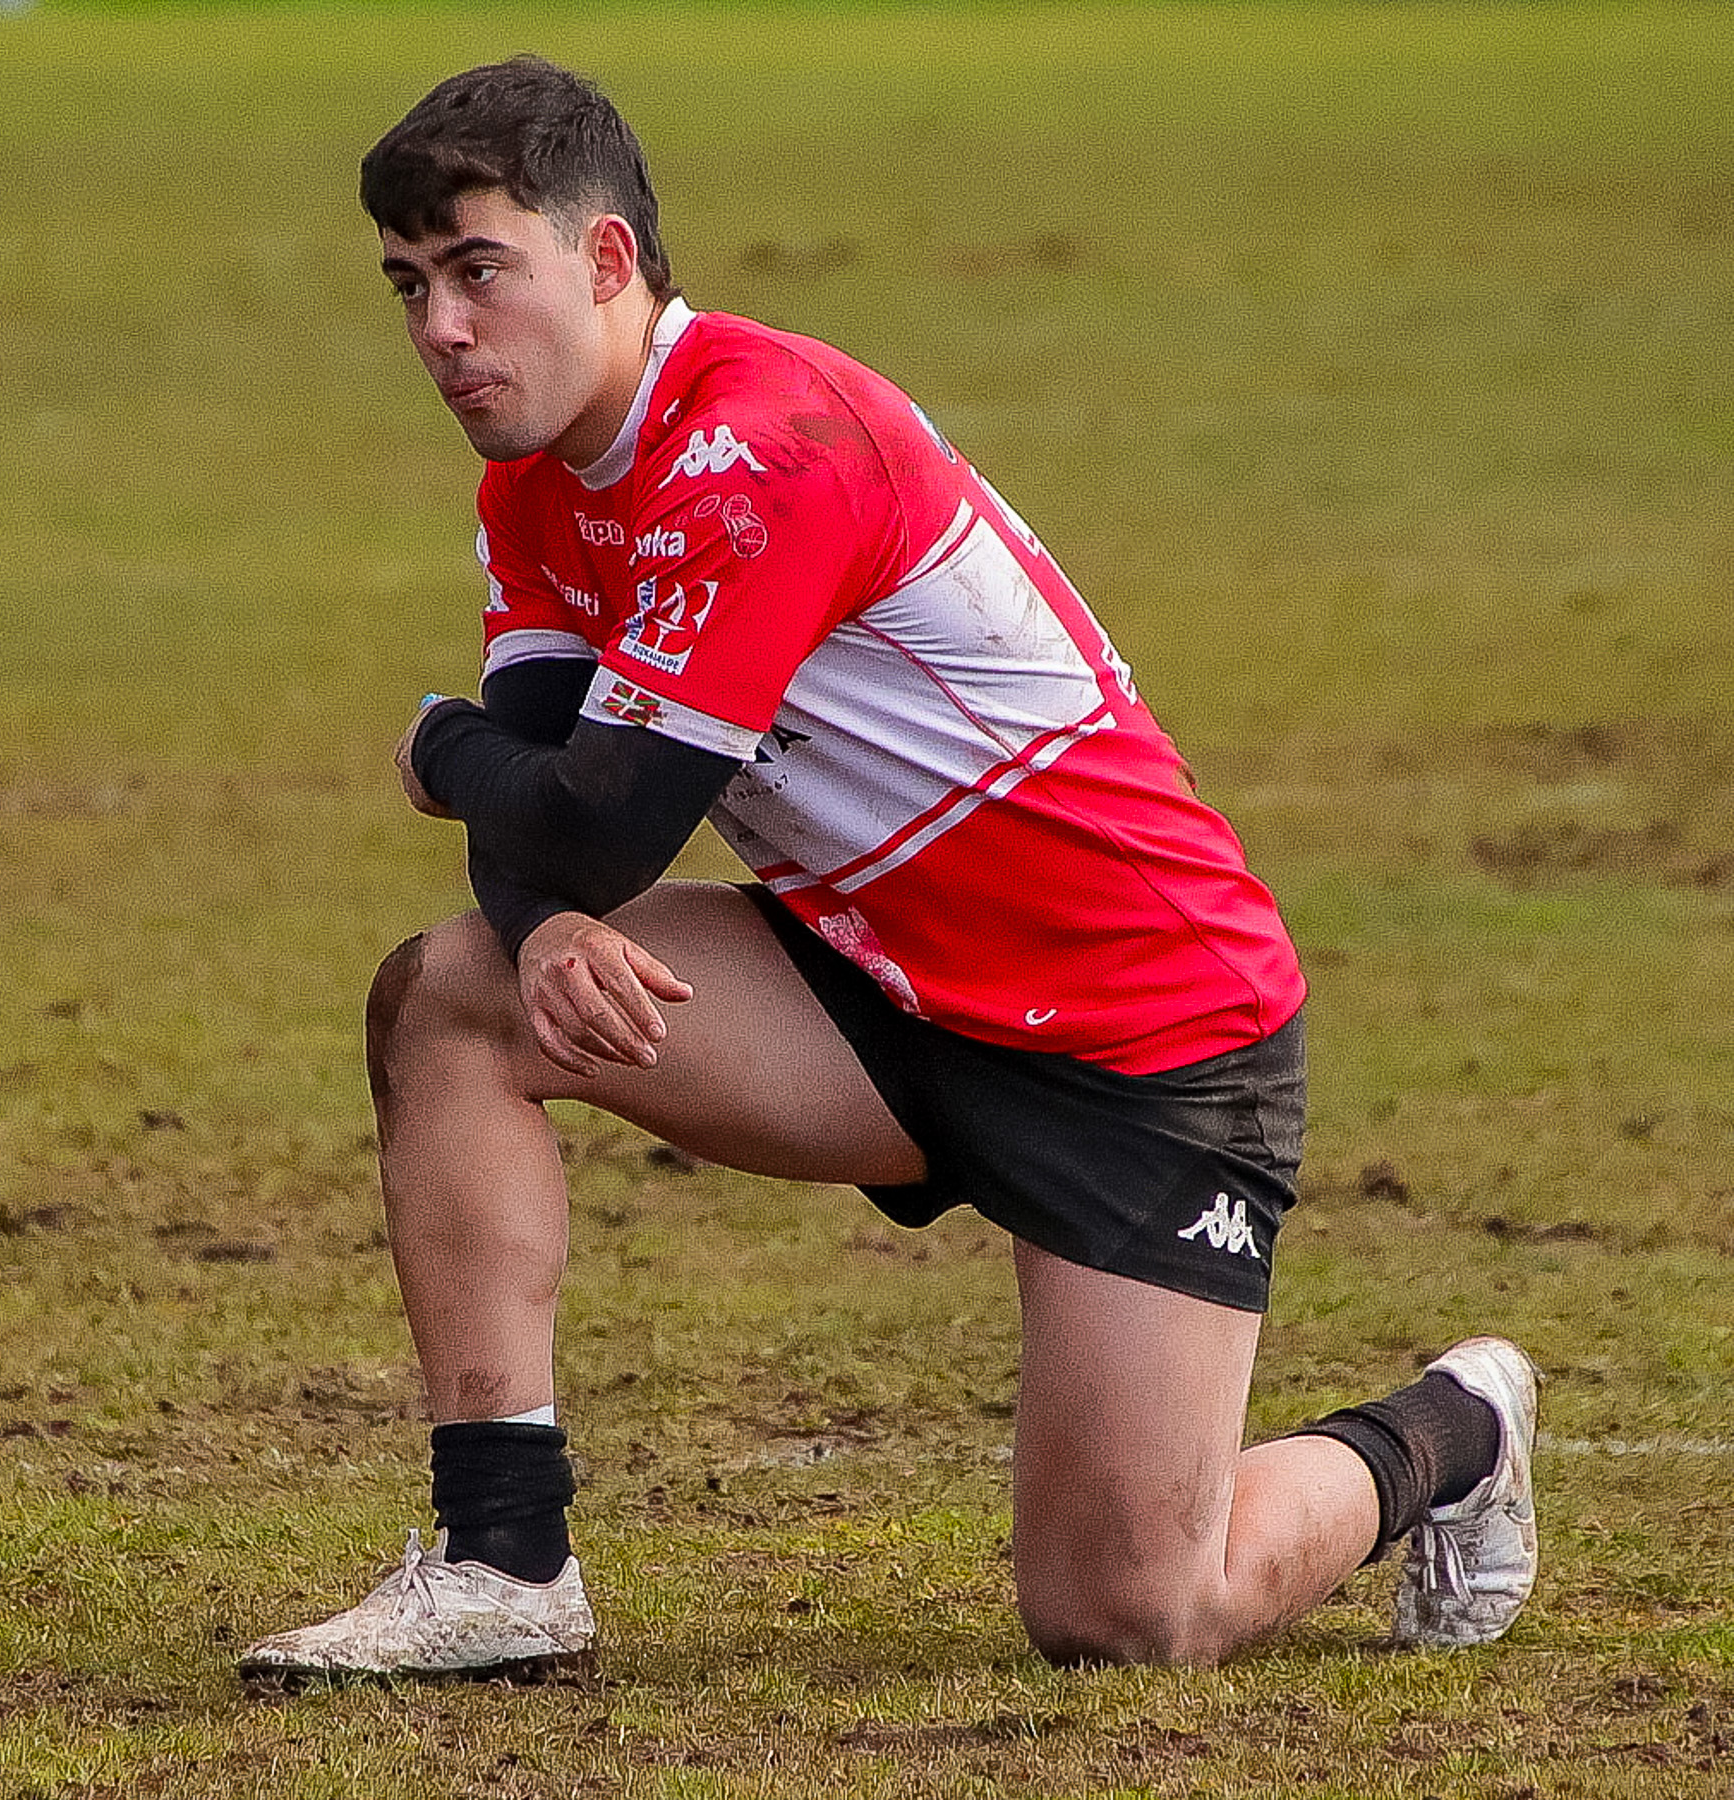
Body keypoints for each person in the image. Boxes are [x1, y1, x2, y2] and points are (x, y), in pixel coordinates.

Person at [238, 57, 1539, 1683]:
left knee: (1131, 1616)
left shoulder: (760, 450)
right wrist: (542, 908)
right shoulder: (537, 486)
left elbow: (586, 810)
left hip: (1142, 1038)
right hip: (868, 981)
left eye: (476, 269)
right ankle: (506, 1566)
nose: (438, 328)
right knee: (453, 996)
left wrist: (441, 760)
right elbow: (552, 813)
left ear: (607, 262)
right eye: (408, 285)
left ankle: (1451, 1429)